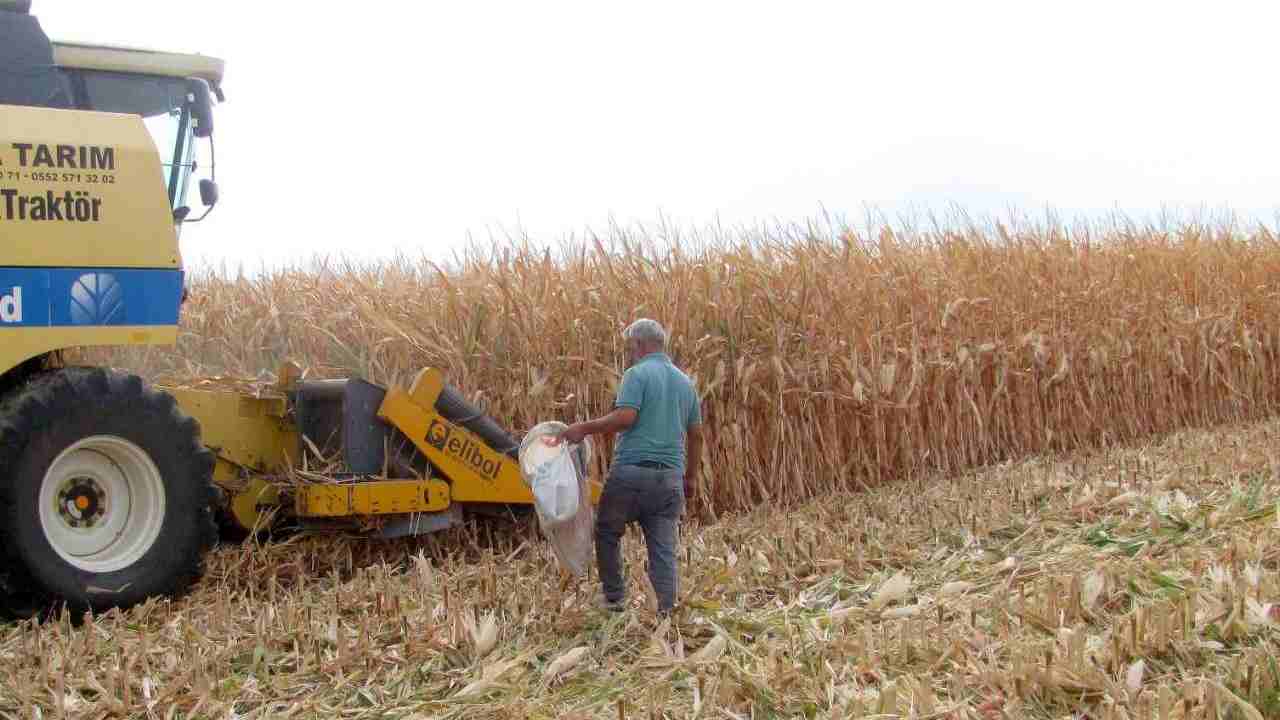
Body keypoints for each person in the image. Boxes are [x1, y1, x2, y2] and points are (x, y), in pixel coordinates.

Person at [552, 318, 703, 615]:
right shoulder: (686, 383)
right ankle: (665, 609)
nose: (628, 352)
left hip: (632, 473)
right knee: (663, 544)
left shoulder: (637, 374)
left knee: (607, 532)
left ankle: (615, 599)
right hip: (670, 477)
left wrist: (583, 427)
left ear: (640, 345)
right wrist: (691, 477)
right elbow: (696, 435)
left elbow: (625, 418)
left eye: (630, 346)